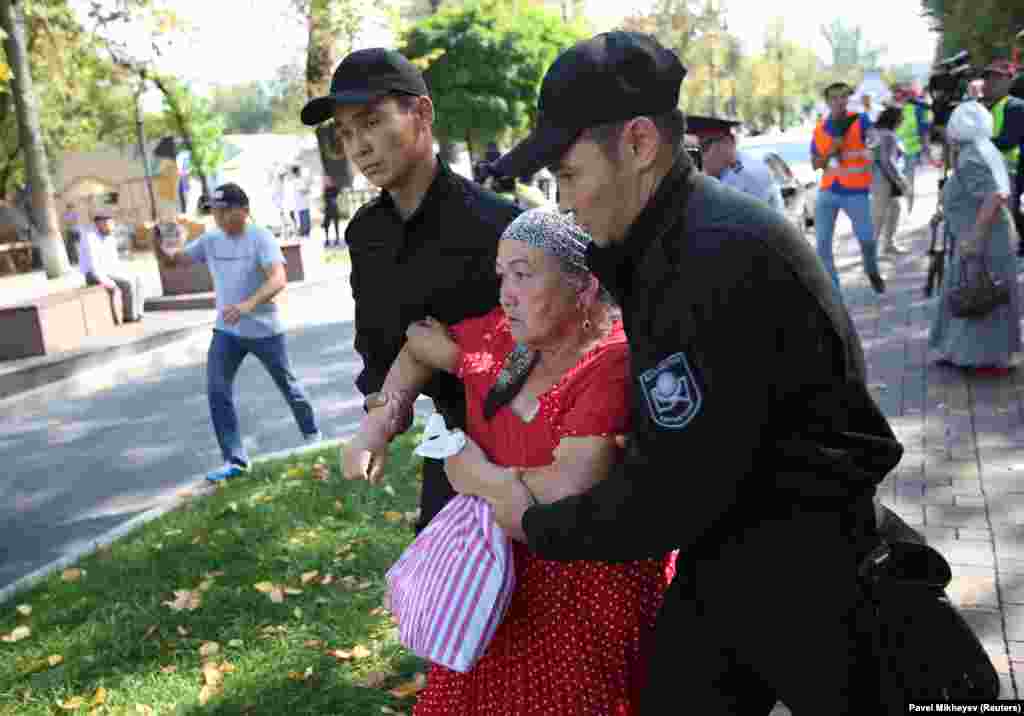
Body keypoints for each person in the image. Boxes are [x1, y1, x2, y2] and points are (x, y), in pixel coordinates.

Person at [471, 31, 901, 714]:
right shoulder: (668, 242)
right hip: (732, 543)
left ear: (639, 143)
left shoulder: (711, 259)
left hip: (804, 568)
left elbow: (667, 492)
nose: (566, 200)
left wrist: (533, 522)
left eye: (570, 175)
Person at [346, 208, 672, 715]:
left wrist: (476, 477)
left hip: (584, 585)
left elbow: (568, 486)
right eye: (502, 276)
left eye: (523, 275)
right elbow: (418, 349)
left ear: (583, 286)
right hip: (493, 580)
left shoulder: (611, 357)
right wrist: (379, 422)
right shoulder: (508, 339)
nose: (506, 294)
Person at [299, 47, 520, 532]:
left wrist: (461, 362)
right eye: (346, 133)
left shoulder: (498, 225)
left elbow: (544, 355)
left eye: (372, 122)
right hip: (449, 441)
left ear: (421, 113)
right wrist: (379, 422)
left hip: (528, 442)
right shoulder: (367, 234)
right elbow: (378, 349)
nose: (359, 147)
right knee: (439, 573)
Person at [153, 183, 322, 482]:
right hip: (227, 331)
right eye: (214, 211)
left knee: (288, 385)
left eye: (224, 211)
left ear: (243, 210)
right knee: (217, 390)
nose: (217, 217)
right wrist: (158, 243)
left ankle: (314, 439)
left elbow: (278, 278)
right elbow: (172, 261)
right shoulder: (211, 240)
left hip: (264, 330)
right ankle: (235, 460)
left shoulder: (260, 238)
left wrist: (247, 306)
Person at [929, 101, 1022, 376]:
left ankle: (986, 358)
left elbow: (993, 196)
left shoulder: (971, 156)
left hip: (983, 239)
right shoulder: (982, 150)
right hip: (983, 235)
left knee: (981, 295)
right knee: (972, 292)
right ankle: (961, 351)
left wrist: (975, 237)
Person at [812, 81, 886, 294]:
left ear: (847, 99)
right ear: (827, 102)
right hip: (828, 191)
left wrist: (872, 149)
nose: (839, 101)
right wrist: (831, 151)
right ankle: (833, 291)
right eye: (834, 98)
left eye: (843, 96)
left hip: (856, 192)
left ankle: (871, 270)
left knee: (867, 240)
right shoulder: (819, 129)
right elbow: (815, 164)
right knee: (822, 245)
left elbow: (875, 142)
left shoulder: (860, 121)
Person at [688, 115, 786, 213]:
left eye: (704, 146)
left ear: (727, 143)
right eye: (696, 149)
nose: (701, 156)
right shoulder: (723, 174)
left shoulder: (748, 174)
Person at [984, 59, 1024, 255]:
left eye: (997, 77)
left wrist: (976, 141)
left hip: (1010, 175)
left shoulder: (1015, 106)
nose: (991, 82)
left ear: (1009, 80)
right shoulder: (988, 107)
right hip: (994, 174)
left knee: (1007, 222)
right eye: (989, 77)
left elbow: (1009, 140)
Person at [78, 210, 144, 324]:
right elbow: (93, 266)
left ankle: (138, 313)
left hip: (110, 272)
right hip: (93, 274)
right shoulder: (90, 238)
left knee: (138, 278)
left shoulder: (109, 236)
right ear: (99, 224)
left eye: (112, 224)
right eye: (108, 224)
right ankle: (129, 317)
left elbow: (114, 261)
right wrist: (106, 281)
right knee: (127, 283)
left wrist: (124, 272)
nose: (111, 227)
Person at [870, 105, 911, 256]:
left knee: (893, 209)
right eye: (901, 119)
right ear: (894, 120)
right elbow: (887, 161)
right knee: (879, 215)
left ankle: (888, 244)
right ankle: (872, 251)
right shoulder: (888, 135)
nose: (902, 122)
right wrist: (900, 179)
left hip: (878, 179)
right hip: (884, 179)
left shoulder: (876, 133)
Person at [892, 84, 931, 216]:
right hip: (896, 151)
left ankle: (908, 209)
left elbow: (924, 131)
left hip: (909, 151)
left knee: (907, 180)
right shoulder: (892, 110)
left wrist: (926, 149)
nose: (899, 98)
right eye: (897, 95)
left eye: (902, 95)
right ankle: (899, 209)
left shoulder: (917, 109)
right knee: (898, 180)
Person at [291, 166, 312, 238]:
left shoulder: (296, 181)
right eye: (299, 171)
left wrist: (307, 189)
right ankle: (305, 233)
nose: (300, 172)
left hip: (301, 204)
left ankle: (304, 233)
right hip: (302, 204)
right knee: (305, 221)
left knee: (303, 220)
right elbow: (303, 191)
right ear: (297, 172)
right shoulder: (297, 181)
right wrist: (308, 189)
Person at [322, 179, 342, 247]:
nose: (328, 182)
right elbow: (324, 199)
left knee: (336, 225)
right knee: (326, 226)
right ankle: (327, 240)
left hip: (334, 209)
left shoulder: (335, 189)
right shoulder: (326, 189)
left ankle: (337, 239)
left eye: (330, 181)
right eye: (327, 181)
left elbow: (338, 196)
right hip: (328, 209)